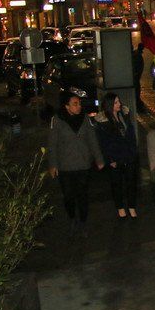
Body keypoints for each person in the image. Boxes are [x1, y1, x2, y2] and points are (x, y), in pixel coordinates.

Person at [47, 93, 104, 232]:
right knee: (68, 195)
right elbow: (52, 144)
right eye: (75, 104)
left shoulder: (85, 118)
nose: (79, 106)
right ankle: (72, 218)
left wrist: (99, 159)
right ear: (67, 106)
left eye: (79, 103)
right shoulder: (57, 120)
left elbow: (92, 139)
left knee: (82, 194)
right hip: (65, 165)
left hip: (83, 163)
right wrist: (53, 164)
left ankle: (83, 222)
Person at [94, 93, 139, 221]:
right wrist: (110, 159)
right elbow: (103, 142)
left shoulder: (124, 115)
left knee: (131, 182)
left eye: (119, 101)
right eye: (115, 102)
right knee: (117, 184)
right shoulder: (103, 122)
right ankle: (120, 207)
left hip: (128, 155)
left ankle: (131, 206)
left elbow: (131, 133)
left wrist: (133, 150)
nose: (119, 104)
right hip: (114, 157)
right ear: (109, 105)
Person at [132, 44, 147, 113]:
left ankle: (139, 106)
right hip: (135, 77)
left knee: (136, 93)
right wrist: (137, 74)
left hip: (135, 77)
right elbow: (139, 67)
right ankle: (139, 107)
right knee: (136, 93)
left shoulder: (135, 55)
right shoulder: (137, 55)